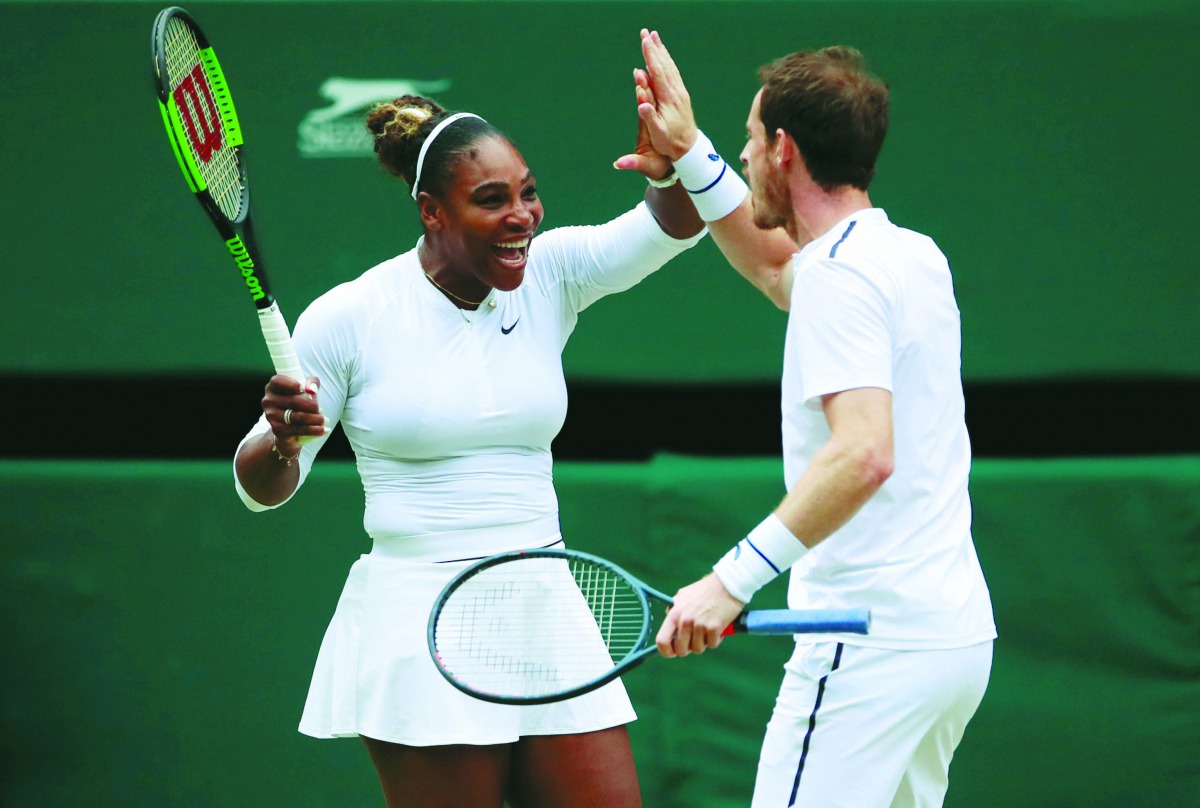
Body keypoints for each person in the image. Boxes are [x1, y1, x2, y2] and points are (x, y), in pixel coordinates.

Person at [233, 93, 704, 807]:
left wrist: (673, 167)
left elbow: (670, 228)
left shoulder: (549, 274)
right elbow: (261, 485)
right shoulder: (352, 316)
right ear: (432, 211)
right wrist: (281, 440)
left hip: (545, 601)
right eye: (492, 200)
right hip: (424, 619)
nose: (522, 216)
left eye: (528, 193)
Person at [616, 30, 997, 808]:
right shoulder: (910, 255)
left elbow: (863, 454)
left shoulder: (838, 276)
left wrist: (731, 580)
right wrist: (691, 151)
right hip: (950, 642)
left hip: (865, 649)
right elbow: (773, 266)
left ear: (785, 149)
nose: (748, 157)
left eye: (753, 141)